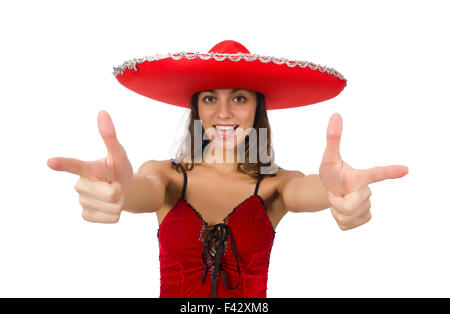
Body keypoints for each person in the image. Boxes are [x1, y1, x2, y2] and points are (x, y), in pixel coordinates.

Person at [47, 40, 409, 298]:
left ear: (256, 108)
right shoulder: (165, 177)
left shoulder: (277, 185)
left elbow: (307, 191)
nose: (222, 113)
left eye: (238, 98)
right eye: (209, 98)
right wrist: (119, 191)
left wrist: (338, 192)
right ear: (197, 109)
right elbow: (140, 190)